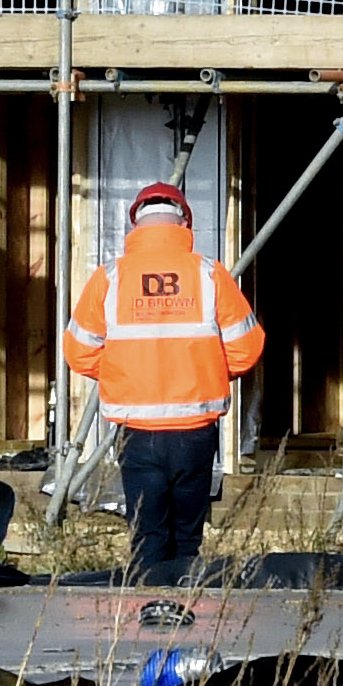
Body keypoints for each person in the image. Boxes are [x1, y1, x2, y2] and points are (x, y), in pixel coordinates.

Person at [64, 180, 267, 579]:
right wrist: (205, 370)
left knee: (147, 537)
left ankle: (145, 618)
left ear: (135, 226)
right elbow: (248, 348)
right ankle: (187, 620)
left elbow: (79, 353)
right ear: (184, 223)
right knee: (188, 540)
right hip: (195, 430)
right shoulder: (211, 275)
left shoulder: (110, 278)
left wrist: (126, 374)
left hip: (137, 433)